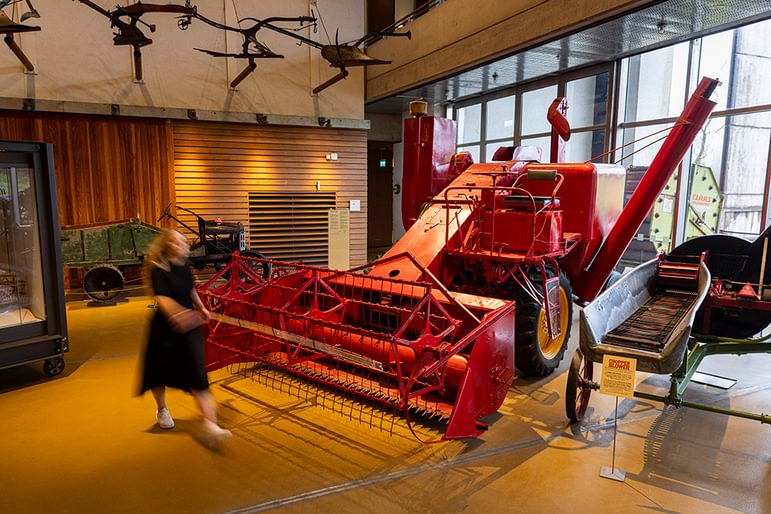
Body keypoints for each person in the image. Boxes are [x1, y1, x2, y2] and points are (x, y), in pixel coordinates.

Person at [138, 229, 231, 446]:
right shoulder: (158, 268)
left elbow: (191, 290)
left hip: (189, 330)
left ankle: (211, 424)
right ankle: (162, 410)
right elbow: (162, 299)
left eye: (184, 242)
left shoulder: (184, 266)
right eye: (179, 242)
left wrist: (201, 308)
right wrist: (180, 316)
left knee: (199, 375)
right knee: (159, 373)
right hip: (163, 330)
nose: (184, 245)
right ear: (168, 245)